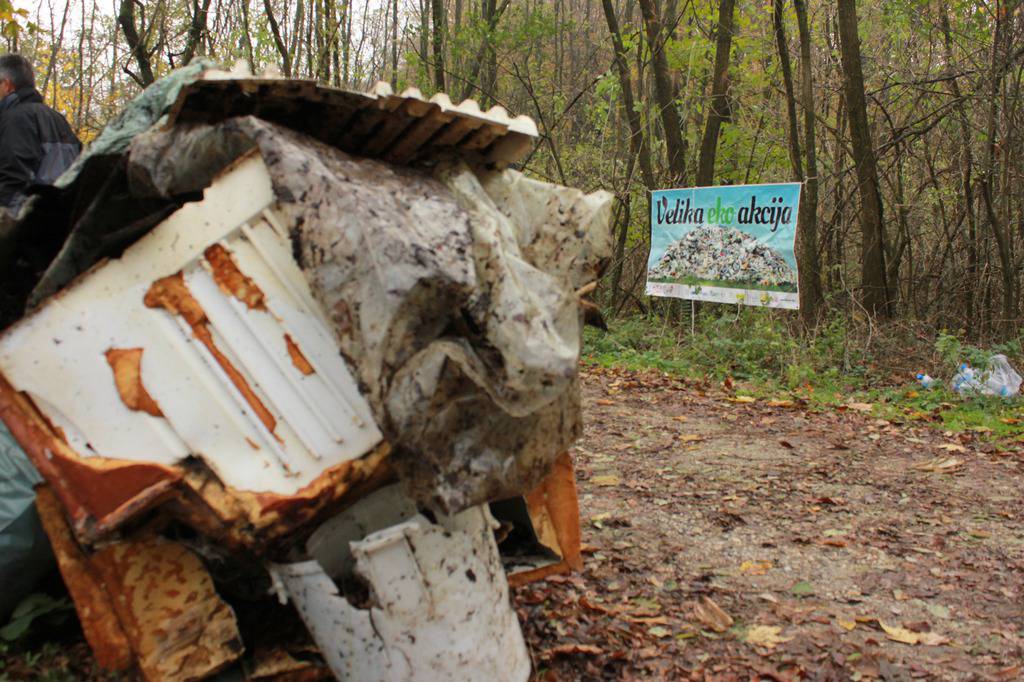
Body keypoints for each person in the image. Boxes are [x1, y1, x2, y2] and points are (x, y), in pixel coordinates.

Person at [0, 54, 80, 211]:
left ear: (7, 85)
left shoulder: (15, 119)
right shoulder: (58, 119)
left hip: (29, 222)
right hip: (64, 217)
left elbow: (12, 180)